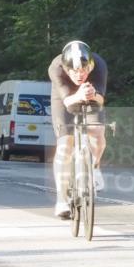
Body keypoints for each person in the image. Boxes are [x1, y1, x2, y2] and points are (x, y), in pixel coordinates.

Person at [48, 40, 107, 218]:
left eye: (84, 70)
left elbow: (101, 100)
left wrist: (92, 95)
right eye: (74, 71)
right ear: (66, 69)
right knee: (65, 144)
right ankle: (61, 199)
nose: (80, 74)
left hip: (91, 95)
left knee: (97, 132)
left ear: (90, 66)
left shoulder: (99, 66)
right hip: (64, 98)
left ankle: (95, 167)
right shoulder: (56, 68)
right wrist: (77, 95)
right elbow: (66, 102)